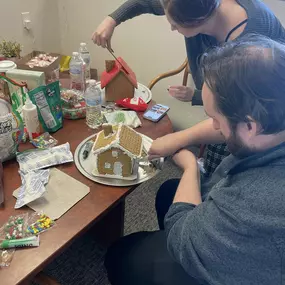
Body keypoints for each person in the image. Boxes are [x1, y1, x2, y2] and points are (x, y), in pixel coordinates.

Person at [105, 35, 285, 285]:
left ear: (250, 126)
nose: (212, 126)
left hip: (245, 265)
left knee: (121, 255)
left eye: (215, 118)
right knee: (168, 191)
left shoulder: (254, 202)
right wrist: (180, 138)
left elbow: (181, 232)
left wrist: (190, 166)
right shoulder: (273, 120)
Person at [93, 0, 285, 175]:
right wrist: (112, 20)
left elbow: (238, 121)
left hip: (263, 130)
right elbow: (145, 3)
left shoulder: (252, 47)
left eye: (175, 25)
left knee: (224, 175)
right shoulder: (190, 4)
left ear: (197, 21)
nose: (171, 28)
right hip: (235, 114)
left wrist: (179, 138)